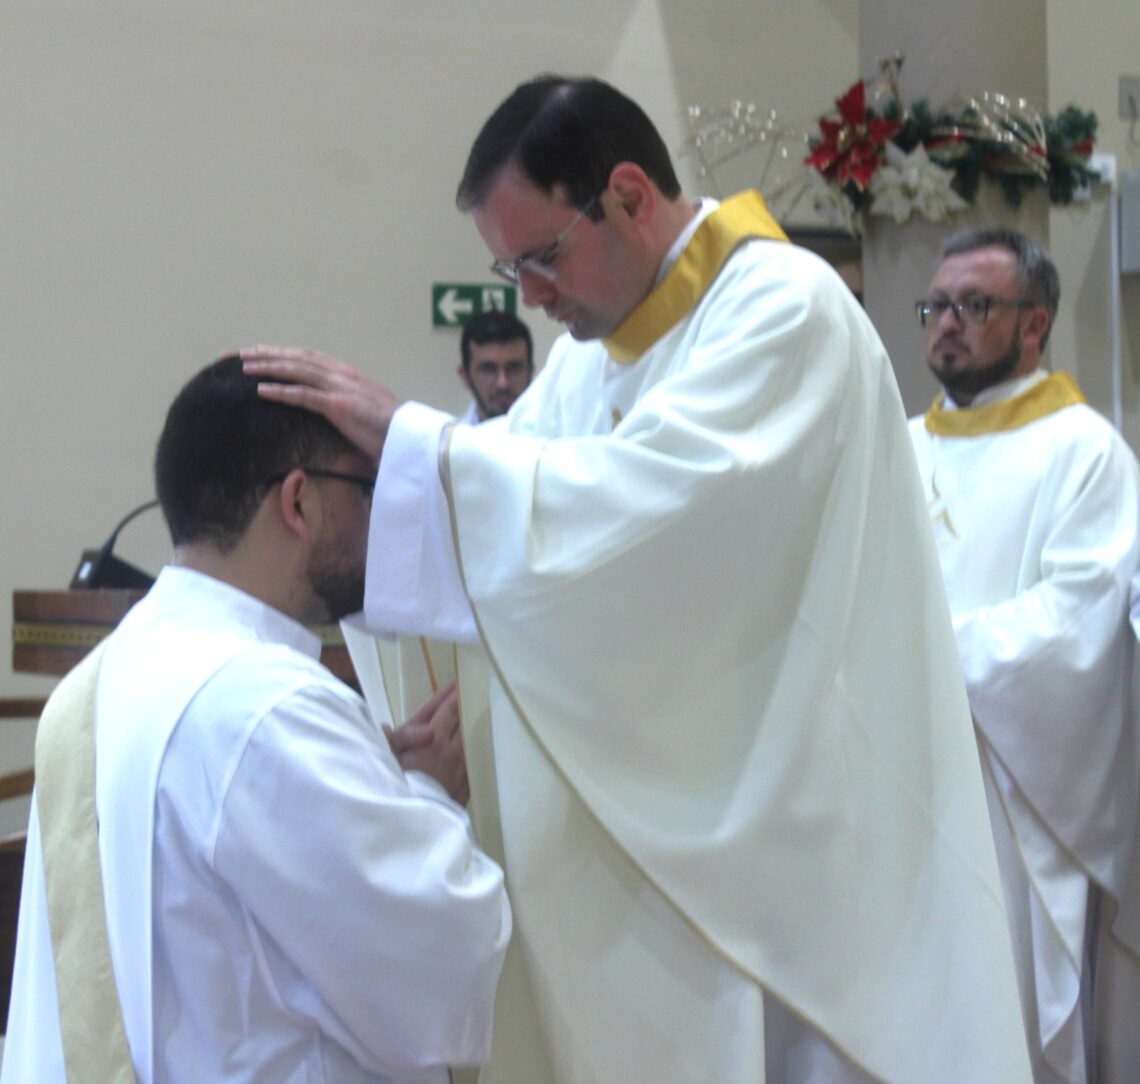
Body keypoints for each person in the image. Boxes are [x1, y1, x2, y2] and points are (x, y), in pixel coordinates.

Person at [243, 75, 1032, 1082]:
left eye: (539, 256)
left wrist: (417, 442)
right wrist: (472, 693)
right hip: (690, 819)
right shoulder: (594, 357)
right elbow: (504, 542)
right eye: (508, 268)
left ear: (626, 193)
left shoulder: (785, 312)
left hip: (799, 824)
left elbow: (640, 522)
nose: (528, 294)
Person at [2, 355, 510, 1083]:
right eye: (366, 491)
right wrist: (427, 796)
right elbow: (441, 973)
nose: (378, 518)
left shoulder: (103, 679)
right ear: (299, 503)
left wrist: (369, 777)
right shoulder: (267, 705)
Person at [908, 227, 1140, 1084]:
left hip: (1012, 787)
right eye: (937, 306)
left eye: (975, 306)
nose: (947, 324)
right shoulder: (900, 446)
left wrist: (922, 654)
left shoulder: (1085, 453)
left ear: (1034, 324)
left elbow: (1083, 618)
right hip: (900, 770)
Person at [456, 310, 534, 423]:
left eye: (513, 368)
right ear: (465, 376)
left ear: (530, 371)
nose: (502, 383)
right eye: (489, 369)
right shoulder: (449, 440)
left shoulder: (558, 437)